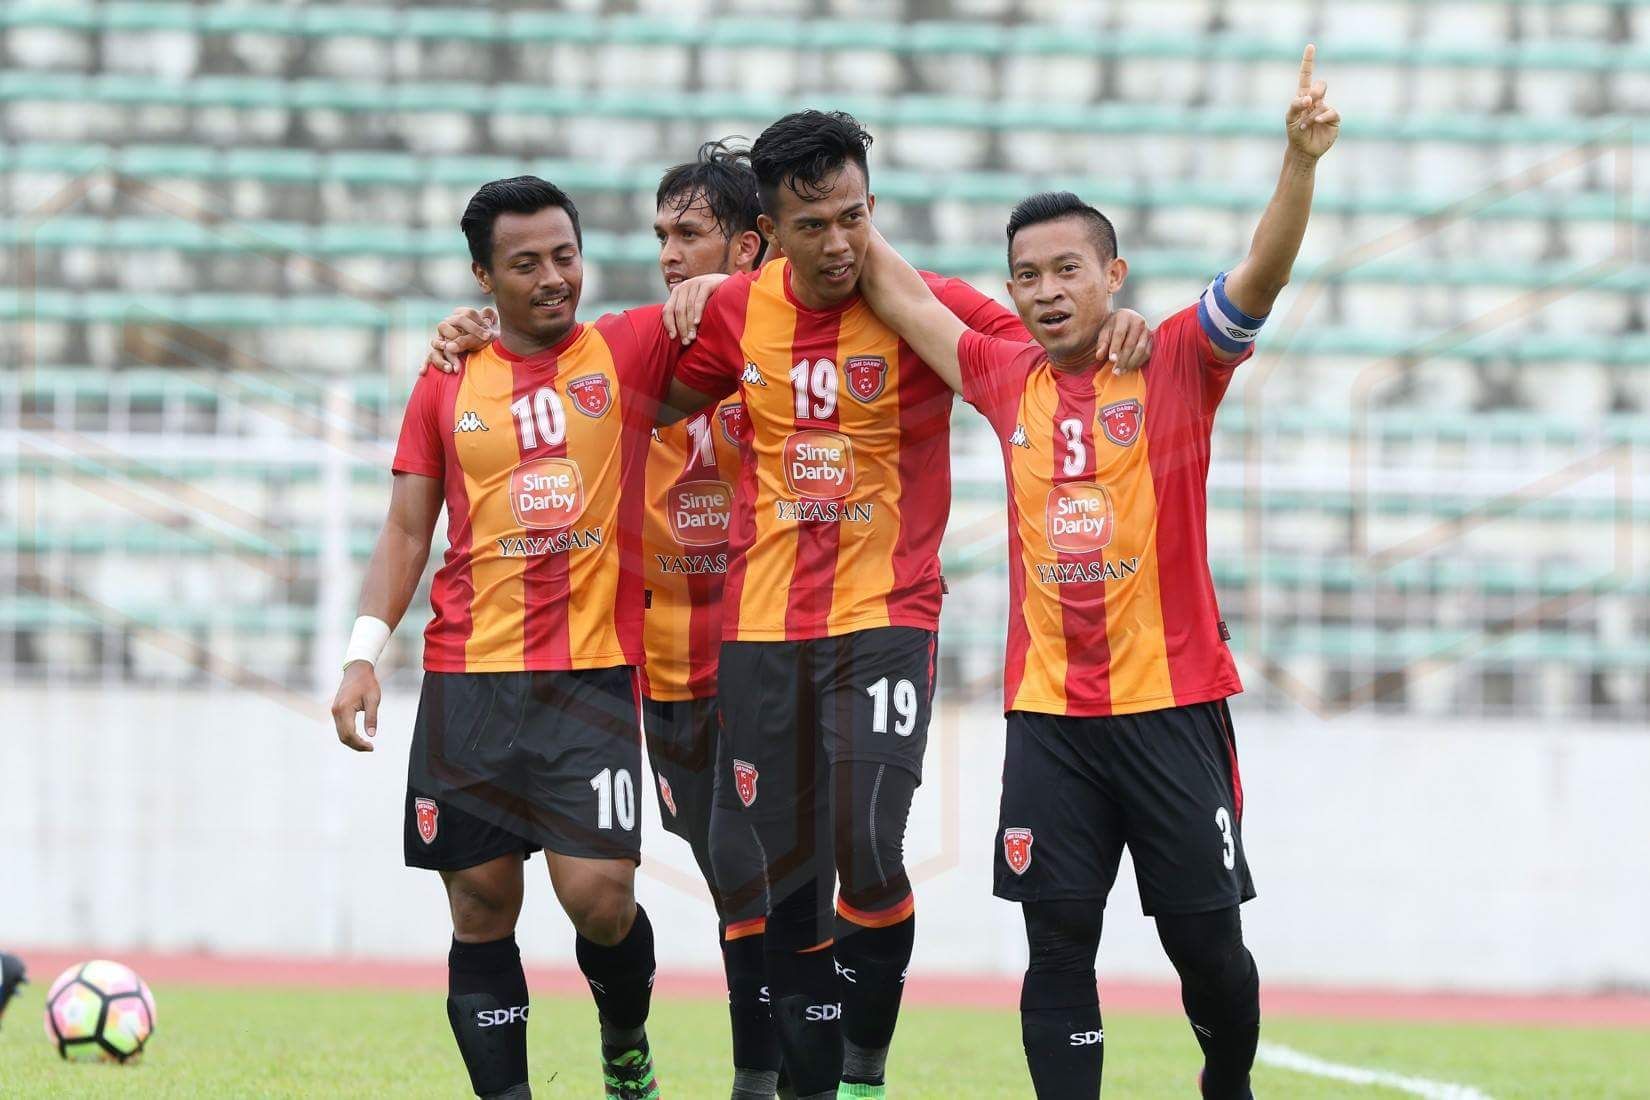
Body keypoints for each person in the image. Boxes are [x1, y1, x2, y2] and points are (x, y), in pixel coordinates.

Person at [848, 47, 1339, 1099]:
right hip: (1049, 716)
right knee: (1056, 937)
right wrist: (839, 190)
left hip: (1172, 704)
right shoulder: (999, 372)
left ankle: (1227, 1080)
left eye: (1068, 269)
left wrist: (1298, 162)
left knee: (1207, 943)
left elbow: (1265, 271)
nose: (1045, 290)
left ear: (1111, 275)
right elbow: (893, 287)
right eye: (1025, 275)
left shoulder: (1173, 359)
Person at [661, 111, 1152, 1100]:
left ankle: (865, 1067)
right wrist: (483, 340)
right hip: (761, 634)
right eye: (814, 224)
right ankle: (811, 1084)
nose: (839, 242)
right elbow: (622, 384)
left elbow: (1054, 349)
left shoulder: (928, 305)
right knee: (788, 879)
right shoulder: (733, 313)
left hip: (886, 617)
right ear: (772, 231)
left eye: (857, 217)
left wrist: (1122, 330)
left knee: (868, 840)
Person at [426, 141, 790, 1100]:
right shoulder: (635, 352)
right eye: (660, 235)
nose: (669, 254)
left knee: (779, 888)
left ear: (752, 246)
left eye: (692, 235)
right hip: (665, 676)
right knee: (719, 887)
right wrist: (476, 338)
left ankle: (776, 1080)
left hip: (772, 660)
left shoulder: (788, 349)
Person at [331, 176, 683, 1100]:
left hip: (589, 679)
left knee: (600, 901)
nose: (552, 277)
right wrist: (363, 652)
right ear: (482, 275)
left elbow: (750, 310)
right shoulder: (446, 378)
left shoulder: (626, 349)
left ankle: (625, 1042)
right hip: (467, 683)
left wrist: (709, 275)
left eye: (564, 255)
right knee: (481, 903)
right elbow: (409, 530)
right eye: (525, 263)